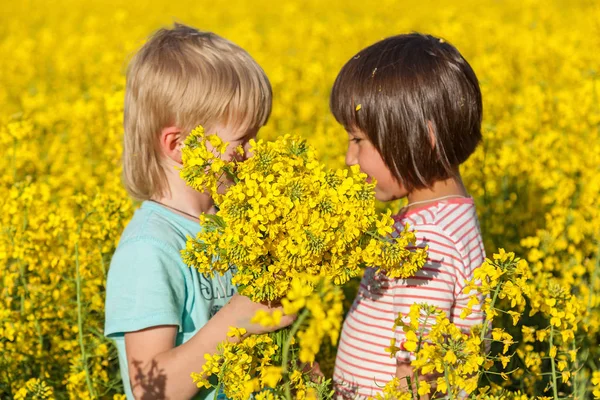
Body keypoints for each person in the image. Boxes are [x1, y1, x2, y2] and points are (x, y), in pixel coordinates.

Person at [104, 23, 293, 400]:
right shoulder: (149, 249)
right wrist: (237, 320)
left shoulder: (239, 222)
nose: (254, 154)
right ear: (180, 145)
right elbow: (151, 391)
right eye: (243, 140)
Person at [330, 33, 486, 398]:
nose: (349, 159)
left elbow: (417, 371)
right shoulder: (445, 220)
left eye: (358, 141)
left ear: (422, 137)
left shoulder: (426, 241)